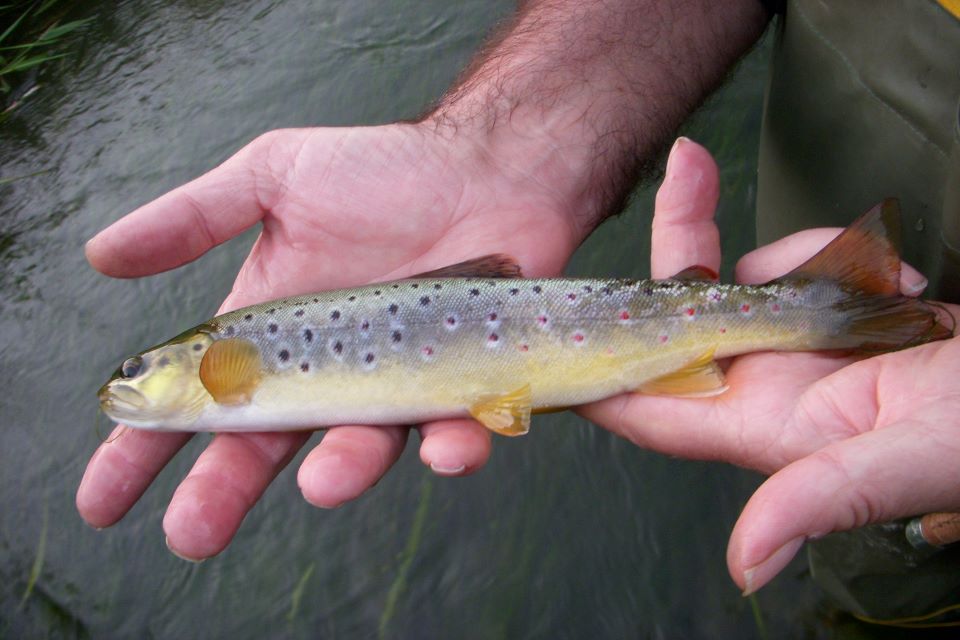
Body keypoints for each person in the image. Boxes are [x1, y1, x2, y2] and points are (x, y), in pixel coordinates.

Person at [76, 0, 960, 620]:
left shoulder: (229, 354)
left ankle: (828, 315)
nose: (126, 385)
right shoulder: (228, 363)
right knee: (891, 549)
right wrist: (506, 138)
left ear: (197, 361)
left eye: (134, 373)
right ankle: (832, 321)